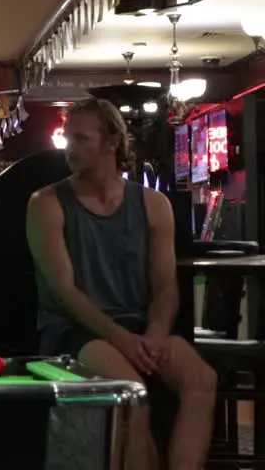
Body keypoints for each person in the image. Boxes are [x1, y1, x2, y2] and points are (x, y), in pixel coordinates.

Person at [26, 98, 215, 470]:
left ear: (111, 143)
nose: (70, 148)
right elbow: (65, 293)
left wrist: (157, 333)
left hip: (139, 326)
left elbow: (164, 287)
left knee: (201, 379)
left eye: (80, 139)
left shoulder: (153, 204)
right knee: (132, 393)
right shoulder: (45, 203)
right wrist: (122, 338)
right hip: (75, 332)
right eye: (68, 139)